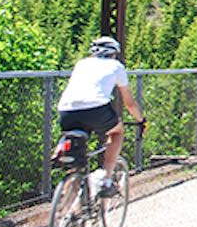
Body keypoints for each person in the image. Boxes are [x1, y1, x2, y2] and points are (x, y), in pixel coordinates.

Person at [57, 36, 146, 197]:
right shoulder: (116, 66)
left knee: (76, 159)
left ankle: (67, 210)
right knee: (117, 132)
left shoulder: (81, 64)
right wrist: (140, 120)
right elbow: (129, 103)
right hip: (96, 109)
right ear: (113, 54)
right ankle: (106, 180)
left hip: (66, 110)